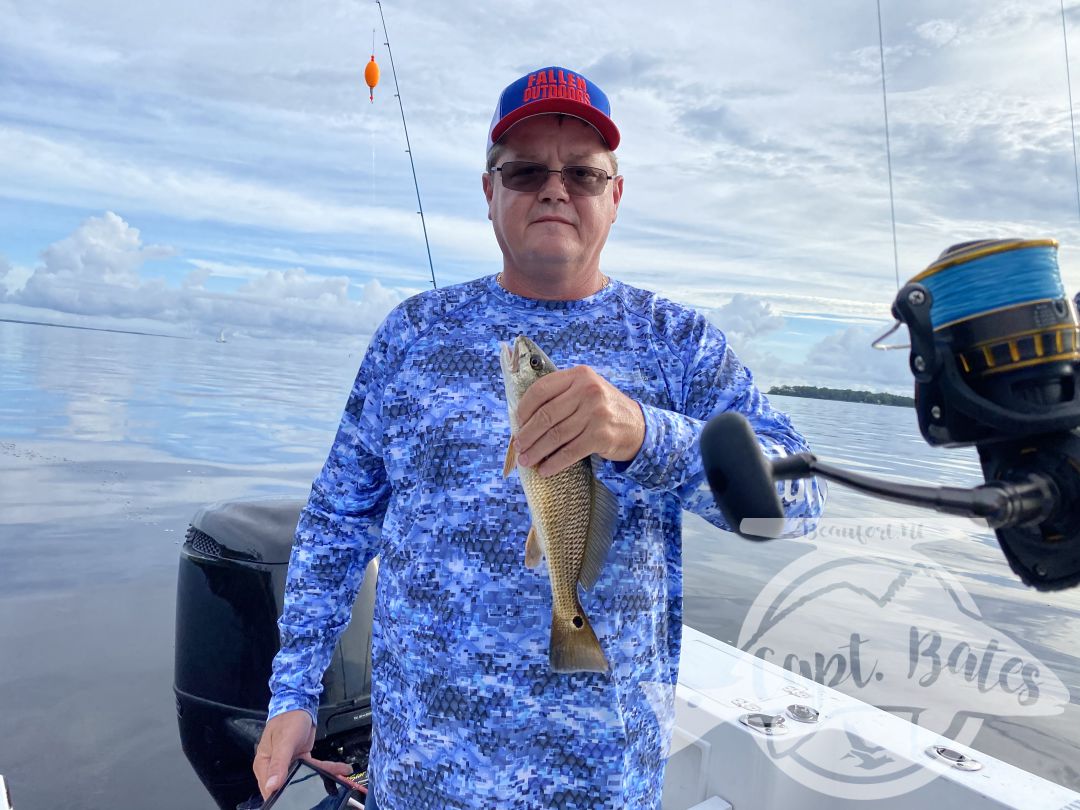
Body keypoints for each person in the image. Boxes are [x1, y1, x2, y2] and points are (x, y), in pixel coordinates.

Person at [254, 64, 826, 809]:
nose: (555, 189)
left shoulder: (678, 342)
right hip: (422, 776)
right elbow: (337, 520)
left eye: (583, 175)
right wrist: (293, 689)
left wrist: (648, 435)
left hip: (601, 781)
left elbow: (797, 501)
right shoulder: (413, 333)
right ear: (489, 193)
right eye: (524, 171)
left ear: (615, 197)